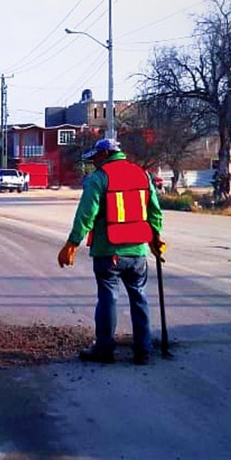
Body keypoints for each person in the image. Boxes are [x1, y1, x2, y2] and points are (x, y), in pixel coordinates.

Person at [57, 138, 165, 365]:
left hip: (109, 251)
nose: (94, 162)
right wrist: (156, 238)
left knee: (108, 298)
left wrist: (72, 244)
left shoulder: (98, 179)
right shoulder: (142, 175)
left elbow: (86, 215)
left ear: (106, 154)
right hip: (138, 251)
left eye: (96, 157)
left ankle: (105, 350)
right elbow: (154, 211)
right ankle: (143, 350)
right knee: (139, 298)